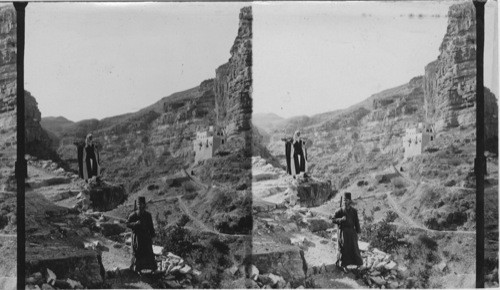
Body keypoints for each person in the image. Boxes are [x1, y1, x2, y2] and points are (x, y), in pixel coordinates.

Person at [330, 192, 363, 271]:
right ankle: (344, 265)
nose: (345, 202)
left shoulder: (354, 211)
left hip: (352, 232)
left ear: (350, 201)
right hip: (343, 232)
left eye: (347, 200)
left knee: (354, 247)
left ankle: (358, 264)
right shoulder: (340, 211)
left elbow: (356, 222)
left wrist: (358, 231)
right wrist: (341, 219)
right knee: (344, 248)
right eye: (344, 200)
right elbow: (333, 220)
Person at [126, 196, 157, 273]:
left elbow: (151, 226)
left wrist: (153, 236)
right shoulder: (133, 215)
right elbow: (127, 224)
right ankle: (137, 269)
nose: (140, 206)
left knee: (149, 252)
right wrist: (135, 224)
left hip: (146, 237)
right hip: (137, 237)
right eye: (138, 204)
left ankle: (152, 269)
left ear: (144, 205)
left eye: (141, 204)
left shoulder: (148, 215)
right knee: (138, 253)